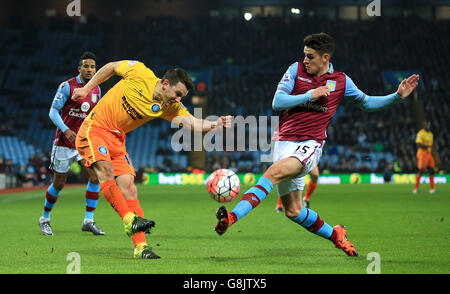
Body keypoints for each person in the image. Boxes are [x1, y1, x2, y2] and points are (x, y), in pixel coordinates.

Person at [214, 32, 419, 257]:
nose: (305, 61)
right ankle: (336, 234)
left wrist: (397, 96)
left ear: (325, 58)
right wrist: (310, 94)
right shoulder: (296, 70)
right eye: (304, 55)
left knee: (271, 174)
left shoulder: (341, 81)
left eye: (310, 56)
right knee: (293, 211)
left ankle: (232, 217)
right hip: (282, 143)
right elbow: (277, 102)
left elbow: (367, 102)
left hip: (309, 145)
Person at [71, 60, 231, 259]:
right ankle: (129, 220)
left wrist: (217, 124)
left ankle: (141, 248)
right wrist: (86, 88)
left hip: (117, 139)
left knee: (129, 187)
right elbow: (111, 67)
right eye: (177, 94)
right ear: (165, 84)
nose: (178, 99)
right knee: (106, 172)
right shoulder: (139, 72)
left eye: (182, 96)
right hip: (95, 129)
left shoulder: (169, 106)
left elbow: (193, 123)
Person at [39, 52, 105, 236]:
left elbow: (93, 116)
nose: (90, 69)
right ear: (79, 68)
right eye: (86, 66)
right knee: (59, 183)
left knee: (95, 177)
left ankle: (88, 220)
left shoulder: (97, 89)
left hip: (83, 142)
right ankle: (44, 218)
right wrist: (66, 130)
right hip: (63, 142)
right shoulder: (67, 86)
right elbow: (53, 113)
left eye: (93, 67)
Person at [413, 121, 436, 194]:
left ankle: (432, 189)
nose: (428, 126)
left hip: (429, 154)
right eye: (426, 125)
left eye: (429, 124)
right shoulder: (420, 133)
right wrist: (427, 146)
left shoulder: (431, 134)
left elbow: (431, 146)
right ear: (423, 126)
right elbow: (418, 145)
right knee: (421, 171)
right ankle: (415, 189)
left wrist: (430, 151)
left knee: (432, 170)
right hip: (422, 154)